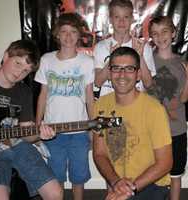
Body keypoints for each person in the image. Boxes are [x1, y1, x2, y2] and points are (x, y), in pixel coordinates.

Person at [93, 46, 173, 200]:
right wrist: (116, 182)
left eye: (129, 68)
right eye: (116, 68)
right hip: (119, 182)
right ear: (109, 74)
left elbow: (165, 163)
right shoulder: (101, 105)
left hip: (152, 184)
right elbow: (100, 153)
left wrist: (130, 190)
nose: (122, 74)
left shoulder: (154, 109)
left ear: (138, 75)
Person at [0, 39, 62, 200]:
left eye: (26, 71)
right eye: (18, 63)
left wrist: (40, 134)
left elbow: (26, 133)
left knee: (55, 193)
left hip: (17, 145)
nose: (20, 72)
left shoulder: (24, 92)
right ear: (6, 56)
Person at [35, 13, 94, 200]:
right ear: (57, 35)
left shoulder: (86, 62)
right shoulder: (46, 60)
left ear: (79, 36)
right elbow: (43, 95)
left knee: (79, 176)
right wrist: (38, 124)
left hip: (79, 130)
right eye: (64, 32)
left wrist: (92, 127)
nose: (68, 37)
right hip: (52, 131)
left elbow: (89, 97)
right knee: (56, 174)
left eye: (73, 32)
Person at [148, 16, 188, 200]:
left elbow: (184, 98)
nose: (160, 36)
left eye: (164, 31)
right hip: (154, 130)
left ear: (173, 33)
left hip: (177, 128)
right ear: (151, 37)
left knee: (175, 173)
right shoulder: (149, 61)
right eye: (155, 33)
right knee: (153, 172)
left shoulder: (181, 63)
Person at [93, 0, 156, 97]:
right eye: (117, 17)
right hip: (108, 106)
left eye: (126, 17)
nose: (121, 21)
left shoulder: (143, 47)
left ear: (132, 19)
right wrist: (112, 59)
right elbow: (97, 82)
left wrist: (140, 56)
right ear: (110, 19)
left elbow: (148, 84)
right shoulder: (100, 47)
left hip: (135, 106)